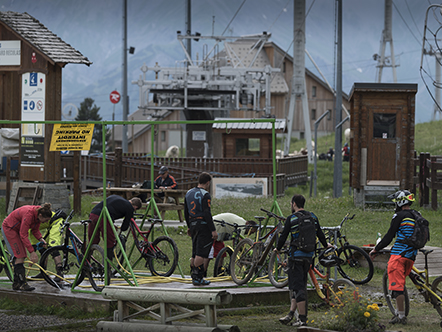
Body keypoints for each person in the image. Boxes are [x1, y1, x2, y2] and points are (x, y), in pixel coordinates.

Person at [275, 194, 332, 327]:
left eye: (291, 204)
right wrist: (325, 244)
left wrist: (277, 249)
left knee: (299, 288)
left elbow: (283, 237)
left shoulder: (291, 218)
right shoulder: (313, 216)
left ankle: (302, 319)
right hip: (309, 257)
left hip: (295, 257)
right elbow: (320, 234)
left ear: (294, 203)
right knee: (298, 285)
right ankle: (290, 314)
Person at [369, 190, 418, 325]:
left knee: (397, 286)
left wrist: (376, 249)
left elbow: (389, 236)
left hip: (399, 255)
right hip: (412, 255)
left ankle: (401, 316)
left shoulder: (399, 215)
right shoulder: (416, 215)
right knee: (404, 280)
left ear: (400, 202)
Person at [2, 203, 52, 291]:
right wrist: (32, 252)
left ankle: (17, 283)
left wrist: (41, 239)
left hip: (18, 230)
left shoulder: (37, 217)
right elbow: (23, 234)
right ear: (40, 215)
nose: (46, 222)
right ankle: (22, 284)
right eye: (46, 220)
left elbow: (35, 230)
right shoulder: (29, 214)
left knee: (22, 255)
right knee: (20, 255)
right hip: (10, 228)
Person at [88, 195, 142, 266]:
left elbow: (110, 209)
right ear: (136, 207)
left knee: (93, 239)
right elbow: (126, 223)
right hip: (104, 217)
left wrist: (111, 225)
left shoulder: (118, 199)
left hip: (93, 214)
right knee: (109, 240)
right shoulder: (130, 207)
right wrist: (122, 228)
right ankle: (108, 264)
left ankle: (86, 260)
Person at [184, 172, 217, 286]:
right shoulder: (205, 194)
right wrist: (213, 229)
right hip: (203, 224)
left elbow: (186, 212)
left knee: (194, 252)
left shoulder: (188, 193)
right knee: (201, 253)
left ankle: (193, 274)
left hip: (193, 223)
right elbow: (207, 213)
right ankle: (198, 277)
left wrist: (189, 226)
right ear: (208, 183)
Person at [29, 209, 67, 280]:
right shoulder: (28, 224)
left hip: (56, 221)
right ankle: (43, 272)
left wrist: (32, 250)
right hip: (49, 224)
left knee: (53, 246)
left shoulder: (29, 220)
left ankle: (60, 273)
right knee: (41, 246)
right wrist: (34, 248)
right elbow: (32, 236)